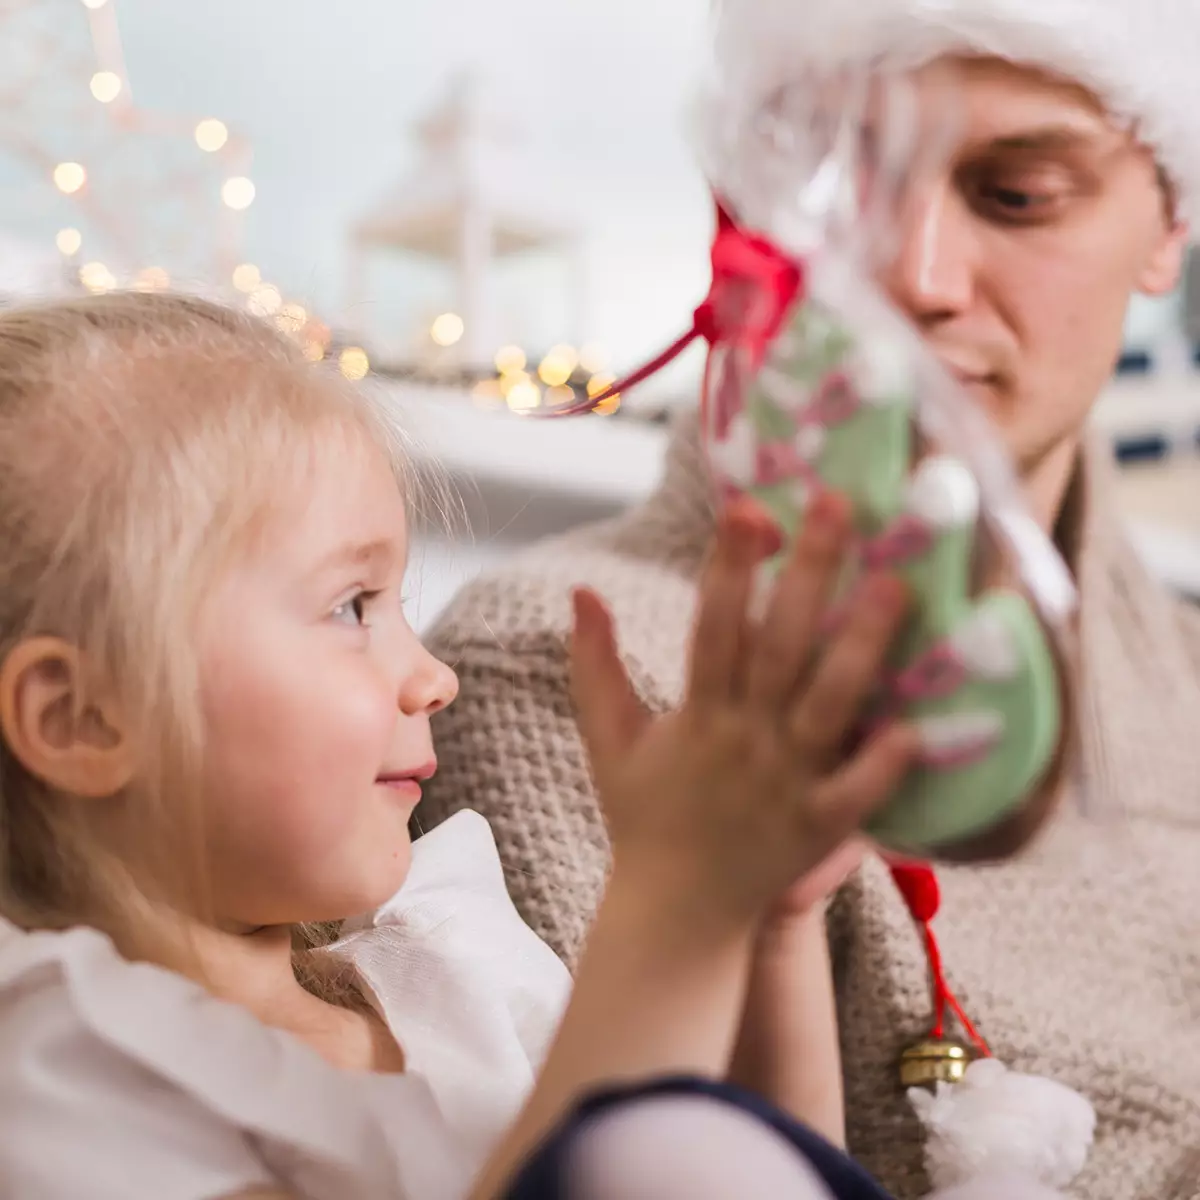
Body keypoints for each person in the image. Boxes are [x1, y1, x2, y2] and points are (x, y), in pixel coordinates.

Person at [418, 7, 1200, 1198]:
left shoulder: (1185, 678)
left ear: (1172, 221)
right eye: (848, 191)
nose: (917, 277)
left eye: (1018, 196)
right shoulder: (561, 675)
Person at [0, 291, 928, 1199]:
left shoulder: (456, 976)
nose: (433, 676)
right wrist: (664, 911)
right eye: (350, 607)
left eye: (398, 603)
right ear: (82, 719)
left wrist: (771, 920)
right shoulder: (58, 1076)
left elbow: (751, 1173)